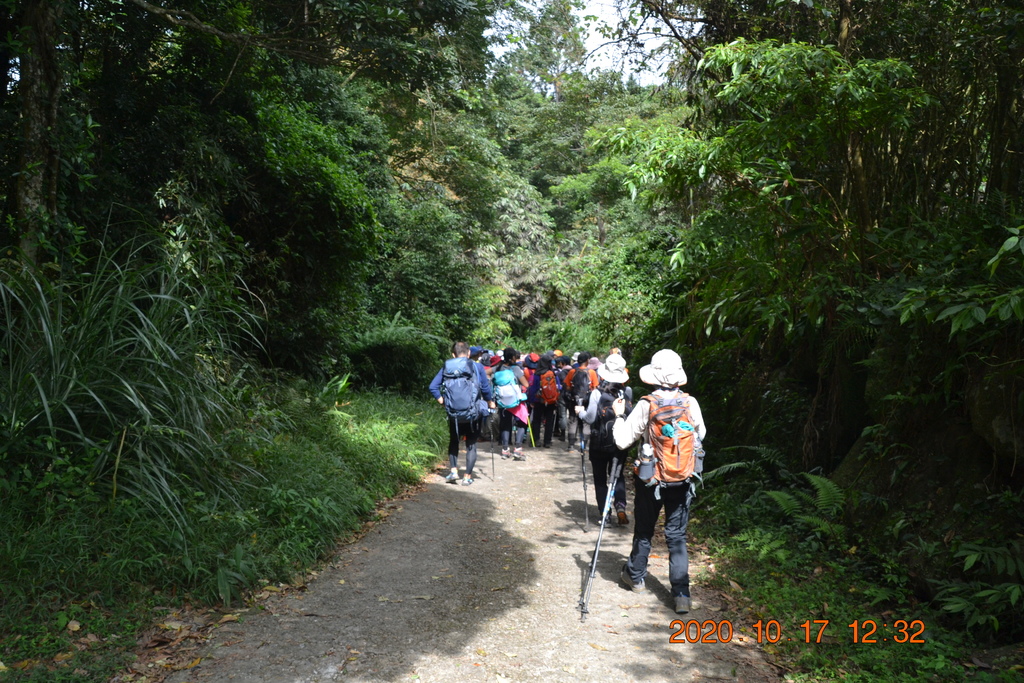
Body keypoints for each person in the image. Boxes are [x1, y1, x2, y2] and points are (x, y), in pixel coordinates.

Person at [610, 349, 706, 615]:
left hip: (650, 479)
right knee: (676, 537)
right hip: (683, 478)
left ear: (655, 375)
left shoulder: (647, 404)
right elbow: (702, 433)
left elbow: (622, 441)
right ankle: (682, 594)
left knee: (644, 529)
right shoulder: (690, 402)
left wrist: (618, 416)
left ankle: (636, 576)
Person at [575, 353, 632, 525]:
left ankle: (605, 514)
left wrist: (580, 412)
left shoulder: (596, 394)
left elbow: (591, 418)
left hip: (599, 443)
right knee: (617, 476)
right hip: (620, 442)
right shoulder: (627, 392)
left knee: (600, 479)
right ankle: (620, 505)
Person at [428, 341, 494, 486]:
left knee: (454, 441)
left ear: (453, 354)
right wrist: (490, 402)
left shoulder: (447, 366)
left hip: (454, 414)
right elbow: (485, 388)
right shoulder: (476, 366)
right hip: (473, 413)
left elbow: (433, 387)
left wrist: (443, 401)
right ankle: (467, 476)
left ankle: (453, 471)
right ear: (469, 353)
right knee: (471, 444)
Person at [493, 347, 529, 460]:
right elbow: (526, 384)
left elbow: (485, 373)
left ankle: (505, 450)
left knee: (505, 425)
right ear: (513, 357)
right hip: (516, 402)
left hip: (503, 401)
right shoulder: (516, 369)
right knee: (522, 422)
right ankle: (518, 449)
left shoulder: (497, 368)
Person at [527, 354, 559, 448]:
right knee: (549, 420)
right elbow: (558, 387)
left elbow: (533, 388)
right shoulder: (552, 373)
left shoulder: (537, 374)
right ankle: (547, 441)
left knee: (537, 420)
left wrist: (531, 400)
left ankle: (536, 440)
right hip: (551, 401)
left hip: (539, 399)